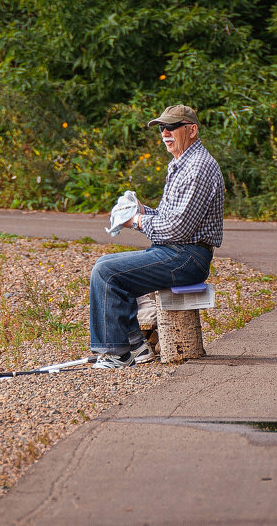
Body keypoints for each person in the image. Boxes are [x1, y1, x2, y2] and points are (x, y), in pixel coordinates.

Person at [88, 104, 225, 368]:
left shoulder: (198, 168)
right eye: (162, 127)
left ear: (192, 130)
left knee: (107, 272)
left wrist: (137, 221)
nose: (165, 133)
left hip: (187, 257)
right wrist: (141, 211)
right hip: (176, 251)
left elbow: (177, 229)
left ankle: (117, 354)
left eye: (172, 127)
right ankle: (135, 347)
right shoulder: (181, 164)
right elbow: (168, 217)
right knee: (105, 266)